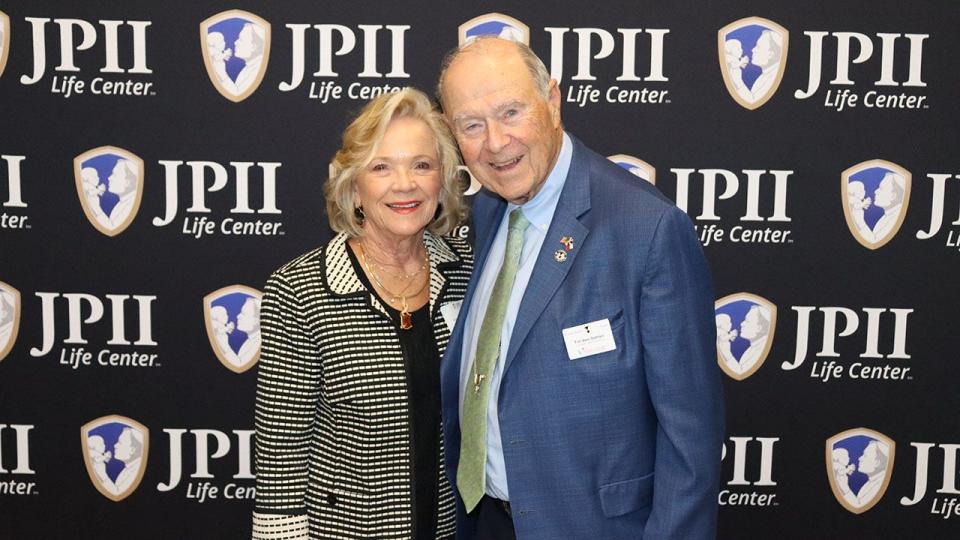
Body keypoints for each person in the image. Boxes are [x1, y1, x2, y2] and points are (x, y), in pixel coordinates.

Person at [437, 37, 724, 539]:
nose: (497, 142)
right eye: (471, 125)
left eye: (510, 112)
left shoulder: (648, 230)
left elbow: (691, 439)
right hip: (484, 521)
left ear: (552, 100)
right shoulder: (486, 210)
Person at [252, 88, 473, 540]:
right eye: (381, 167)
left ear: (444, 181)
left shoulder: (470, 272)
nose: (405, 184)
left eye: (422, 165)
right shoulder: (300, 291)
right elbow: (280, 458)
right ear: (354, 186)